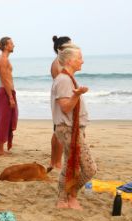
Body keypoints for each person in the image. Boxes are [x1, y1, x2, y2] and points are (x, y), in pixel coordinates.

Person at [52, 45, 96, 210]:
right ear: (70, 61)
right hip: (68, 129)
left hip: (72, 128)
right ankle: (70, 195)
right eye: (80, 58)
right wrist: (77, 95)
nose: (82, 61)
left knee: (70, 165)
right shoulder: (64, 80)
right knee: (90, 168)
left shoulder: (67, 78)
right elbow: (65, 107)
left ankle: (65, 199)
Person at [50, 36, 74, 171]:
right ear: (61, 48)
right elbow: (62, 84)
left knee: (56, 132)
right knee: (59, 131)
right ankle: (56, 162)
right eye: (69, 45)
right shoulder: (58, 63)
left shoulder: (59, 62)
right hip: (61, 98)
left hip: (60, 97)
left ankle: (54, 161)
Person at [0, 37, 17, 155]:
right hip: (5, 91)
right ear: (6, 46)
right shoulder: (3, 60)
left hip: (6, 91)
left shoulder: (3, 59)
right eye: (11, 43)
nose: (13, 45)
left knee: (3, 119)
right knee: (4, 120)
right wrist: (10, 97)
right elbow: (5, 79)